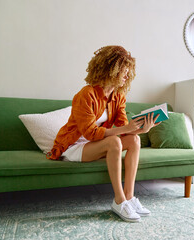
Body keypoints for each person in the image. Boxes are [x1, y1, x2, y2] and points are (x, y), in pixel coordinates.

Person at [47, 45, 159, 223]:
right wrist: (125, 129)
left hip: (97, 143)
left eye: (128, 73)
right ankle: (119, 200)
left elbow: (124, 127)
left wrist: (142, 129)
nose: (127, 77)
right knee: (114, 141)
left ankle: (129, 196)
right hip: (75, 145)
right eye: (124, 72)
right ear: (111, 71)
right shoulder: (86, 94)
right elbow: (91, 133)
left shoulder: (118, 96)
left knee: (135, 140)